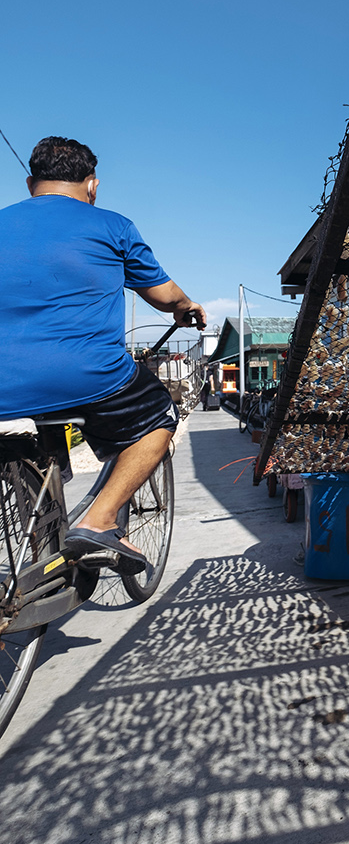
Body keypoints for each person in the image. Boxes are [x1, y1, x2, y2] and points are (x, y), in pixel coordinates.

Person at [0, 136, 206, 573]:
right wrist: (186, 307)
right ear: (93, 185)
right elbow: (165, 296)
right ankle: (100, 519)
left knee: (37, 428)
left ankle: (40, 531)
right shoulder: (113, 226)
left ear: (29, 182)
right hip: (84, 375)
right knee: (158, 415)